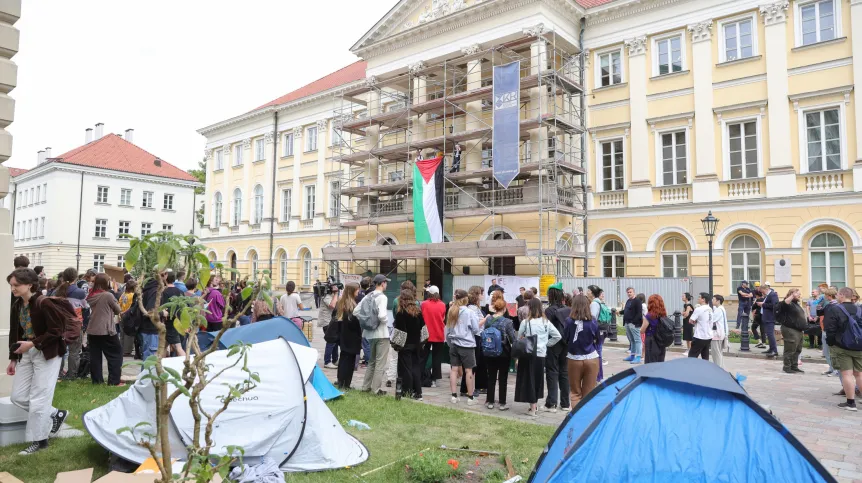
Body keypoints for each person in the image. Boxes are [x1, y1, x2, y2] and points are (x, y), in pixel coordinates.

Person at [7, 268, 70, 455]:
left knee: (39, 399)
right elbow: (14, 331)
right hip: (26, 353)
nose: (13, 289)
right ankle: (55, 413)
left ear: (30, 285)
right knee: (17, 396)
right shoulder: (17, 305)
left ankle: (39, 441)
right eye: (11, 285)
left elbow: (56, 331)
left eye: (16, 285)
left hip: (47, 353)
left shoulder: (44, 303)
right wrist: (13, 358)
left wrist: (33, 343)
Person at [514, 298, 562, 417]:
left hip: (529, 354)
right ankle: (534, 405)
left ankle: (533, 407)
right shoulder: (546, 322)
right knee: (537, 380)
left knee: (529, 380)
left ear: (530, 308)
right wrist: (546, 343)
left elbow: (519, 337)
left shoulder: (525, 322)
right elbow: (557, 336)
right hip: (541, 354)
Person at [823, 287, 862, 411]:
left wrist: (831, 343)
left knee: (847, 374)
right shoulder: (859, 309)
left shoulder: (835, 309)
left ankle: (851, 403)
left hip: (842, 346)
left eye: (838, 294)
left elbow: (830, 329)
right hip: (859, 346)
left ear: (841, 295)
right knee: (859, 374)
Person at [445, 289, 482, 405]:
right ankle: (470, 398)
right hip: (466, 344)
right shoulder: (469, 312)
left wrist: (450, 341)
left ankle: (454, 396)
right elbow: (476, 329)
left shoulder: (451, 310)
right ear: (465, 299)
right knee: (469, 370)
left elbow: (448, 329)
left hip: (454, 343)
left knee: (454, 369)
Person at [86, 274, 123, 385]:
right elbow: (118, 310)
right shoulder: (107, 295)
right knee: (116, 354)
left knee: (95, 356)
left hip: (92, 329)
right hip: (106, 329)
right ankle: (114, 381)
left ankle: (97, 381)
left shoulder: (91, 295)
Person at [356, 274, 391, 395]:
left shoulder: (368, 296)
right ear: (382, 283)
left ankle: (365, 387)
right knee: (380, 362)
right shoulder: (382, 297)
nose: (386, 285)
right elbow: (382, 315)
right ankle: (375, 390)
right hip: (381, 333)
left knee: (371, 361)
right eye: (386, 283)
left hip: (369, 333)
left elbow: (356, 311)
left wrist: (367, 320)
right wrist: (387, 322)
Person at [564, 294, 599, 406]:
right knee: (588, 394)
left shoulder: (569, 321)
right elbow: (598, 338)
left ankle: (575, 420)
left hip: (574, 358)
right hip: (591, 357)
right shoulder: (593, 321)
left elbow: (565, 338)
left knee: (575, 393)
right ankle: (587, 421)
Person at [483, 290, 516, 411]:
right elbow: (513, 338)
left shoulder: (488, 319)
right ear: (504, 309)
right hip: (503, 353)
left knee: (491, 377)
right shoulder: (507, 322)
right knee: (503, 378)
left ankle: (490, 401)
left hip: (489, 351)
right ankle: (502, 402)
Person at [393, 289, 426, 401]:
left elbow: (399, 331)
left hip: (405, 345)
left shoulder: (401, 313)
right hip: (416, 344)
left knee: (406, 369)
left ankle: (407, 391)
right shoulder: (418, 312)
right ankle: (418, 392)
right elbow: (423, 329)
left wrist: (396, 345)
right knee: (416, 368)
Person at [544, 283, 571, 412]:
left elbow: (547, 329)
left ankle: (552, 403)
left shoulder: (549, 310)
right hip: (565, 343)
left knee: (552, 372)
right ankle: (565, 403)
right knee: (564, 372)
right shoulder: (567, 309)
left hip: (553, 343)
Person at [460, 286, 487, 397]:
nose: (483, 296)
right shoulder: (472, 309)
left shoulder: (475, 308)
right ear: (477, 295)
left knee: (477, 363)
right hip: (474, 337)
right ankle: (466, 388)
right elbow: (476, 325)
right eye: (481, 293)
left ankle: (475, 387)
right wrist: (487, 318)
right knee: (472, 364)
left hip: (477, 336)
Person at [334, 284, 361, 389]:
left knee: (343, 358)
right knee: (349, 360)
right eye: (357, 290)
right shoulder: (351, 305)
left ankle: (340, 380)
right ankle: (346, 383)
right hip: (352, 335)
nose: (358, 292)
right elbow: (354, 322)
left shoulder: (341, 302)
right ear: (352, 291)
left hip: (343, 334)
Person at [420, 285, 446, 388]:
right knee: (437, 357)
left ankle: (421, 376)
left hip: (426, 333)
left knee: (423, 356)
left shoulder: (424, 304)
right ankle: (434, 379)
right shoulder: (443, 305)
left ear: (429, 293)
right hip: (438, 333)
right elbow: (443, 317)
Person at [776, 288, 807, 374]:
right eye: (798, 294)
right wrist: (793, 295)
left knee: (797, 349)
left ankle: (794, 366)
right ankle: (787, 367)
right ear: (792, 294)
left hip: (798, 330)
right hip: (790, 329)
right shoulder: (787, 304)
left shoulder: (796, 304)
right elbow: (785, 303)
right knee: (790, 349)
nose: (799, 295)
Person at [586, 285, 609, 381]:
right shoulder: (598, 302)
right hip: (601, 331)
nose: (587, 292)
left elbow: (593, 319)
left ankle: (598, 377)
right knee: (598, 352)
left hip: (597, 332)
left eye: (588, 291)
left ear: (592, 292)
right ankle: (599, 376)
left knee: (597, 353)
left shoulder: (594, 303)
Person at [161, 271, 186, 357]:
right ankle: (161, 365)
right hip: (180, 321)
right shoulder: (180, 291)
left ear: (165, 278)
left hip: (170, 323)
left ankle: (187, 363)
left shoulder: (164, 292)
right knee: (163, 346)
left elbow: (164, 308)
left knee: (178, 347)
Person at [642, 294, 668, 364]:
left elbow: (642, 330)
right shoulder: (663, 314)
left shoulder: (649, 315)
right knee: (660, 361)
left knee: (650, 362)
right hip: (661, 340)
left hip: (651, 340)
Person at [320, 283, 340, 370]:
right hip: (326, 321)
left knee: (335, 340)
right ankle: (327, 361)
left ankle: (335, 360)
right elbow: (332, 305)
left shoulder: (331, 295)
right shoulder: (326, 296)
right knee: (331, 341)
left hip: (332, 321)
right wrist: (336, 294)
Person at [688, 293, 713, 360]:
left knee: (692, 356)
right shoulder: (710, 309)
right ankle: (705, 369)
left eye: (699, 297)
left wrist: (696, 321)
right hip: (708, 336)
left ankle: (691, 369)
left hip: (699, 336)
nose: (698, 298)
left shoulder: (699, 309)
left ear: (703, 299)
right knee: (705, 356)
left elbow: (690, 320)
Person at [820, 288, 839, 376]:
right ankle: (831, 368)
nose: (825, 297)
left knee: (833, 352)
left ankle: (836, 370)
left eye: (826, 295)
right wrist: (819, 306)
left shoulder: (837, 306)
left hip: (832, 332)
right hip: (825, 330)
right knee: (827, 352)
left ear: (830, 296)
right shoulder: (827, 305)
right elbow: (820, 314)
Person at [758, 281, 779, 357]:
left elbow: (774, 305)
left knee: (770, 334)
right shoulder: (768, 295)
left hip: (770, 318)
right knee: (768, 334)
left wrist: (763, 304)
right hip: (766, 317)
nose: (762, 293)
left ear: (765, 289)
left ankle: (774, 350)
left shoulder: (773, 295)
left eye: (762, 292)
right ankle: (771, 349)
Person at [622, 287, 643, 363]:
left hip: (634, 324)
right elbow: (626, 310)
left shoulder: (637, 301)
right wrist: (620, 312)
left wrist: (634, 322)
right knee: (632, 340)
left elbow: (639, 313)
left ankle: (638, 357)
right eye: (628, 292)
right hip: (627, 323)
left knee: (637, 340)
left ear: (634, 292)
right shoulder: (628, 301)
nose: (629, 293)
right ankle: (632, 355)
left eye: (630, 292)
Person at [710, 295, 729, 369]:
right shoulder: (721, 308)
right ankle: (721, 369)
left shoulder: (718, 310)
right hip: (721, 334)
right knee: (719, 353)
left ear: (718, 301)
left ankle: (718, 369)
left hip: (717, 335)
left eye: (713, 299)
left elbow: (712, 320)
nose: (712, 301)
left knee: (716, 354)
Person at [357, 276, 372, 367]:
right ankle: (368, 359)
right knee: (366, 341)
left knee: (364, 341)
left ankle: (366, 358)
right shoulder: (368, 294)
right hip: (365, 319)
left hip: (360, 319)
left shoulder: (359, 294)